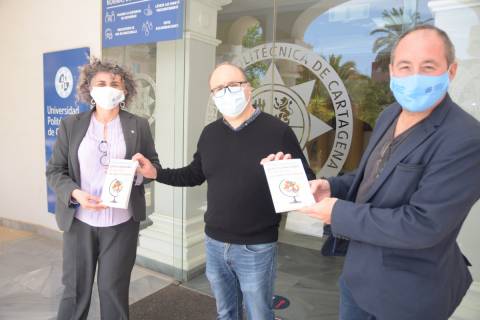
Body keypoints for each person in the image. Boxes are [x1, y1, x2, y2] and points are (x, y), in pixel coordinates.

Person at [266, 25, 480, 320]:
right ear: (392, 70)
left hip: (409, 295)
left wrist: (336, 212)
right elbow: (370, 175)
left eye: (428, 67)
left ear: (451, 71)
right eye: (405, 66)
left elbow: (423, 225)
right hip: (357, 277)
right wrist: (331, 187)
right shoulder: (390, 114)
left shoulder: (466, 138)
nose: (414, 75)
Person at [133, 62, 315, 320]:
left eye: (232, 85)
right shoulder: (210, 134)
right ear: (213, 96)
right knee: (226, 313)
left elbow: (307, 182)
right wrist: (157, 173)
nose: (226, 92)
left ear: (248, 89)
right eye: (218, 88)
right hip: (215, 243)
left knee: (259, 314)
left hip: (256, 246)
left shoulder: (277, 131)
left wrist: (286, 175)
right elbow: (193, 174)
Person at [46, 58, 160, 320]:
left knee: (114, 291)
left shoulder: (138, 125)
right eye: (101, 83)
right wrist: (75, 193)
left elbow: (152, 166)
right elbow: (55, 171)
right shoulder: (71, 124)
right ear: (90, 88)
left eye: (114, 83)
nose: (108, 88)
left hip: (121, 224)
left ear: (124, 90)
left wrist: (143, 173)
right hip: (79, 224)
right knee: (75, 292)